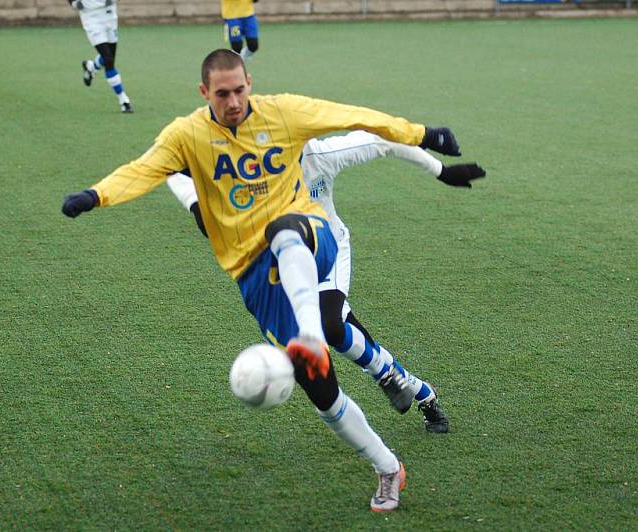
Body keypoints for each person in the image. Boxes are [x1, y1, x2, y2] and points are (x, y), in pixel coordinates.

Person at [61, 49, 479, 512]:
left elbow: (355, 118)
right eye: (223, 94)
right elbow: (146, 171)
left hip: (313, 236)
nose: (234, 101)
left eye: (240, 90)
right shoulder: (187, 136)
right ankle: (386, 467)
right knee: (321, 392)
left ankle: (316, 340)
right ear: (205, 93)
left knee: (295, 253)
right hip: (255, 274)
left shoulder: (284, 114)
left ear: (249, 83)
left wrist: (424, 135)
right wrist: (96, 195)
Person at [165, 131, 485, 433]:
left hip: (328, 249)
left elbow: (382, 140)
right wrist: (195, 202)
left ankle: (391, 381)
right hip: (284, 262)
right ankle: (419, 390)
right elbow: (180, 165)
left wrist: (441, 170)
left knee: (331, 325)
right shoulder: (252, 167)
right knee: (330, 339)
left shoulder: (324, 155)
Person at [69, 0, 133, 113]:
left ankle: (91, 67)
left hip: (109, 15)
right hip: (91, 17)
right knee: (108, 59)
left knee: (109, 57)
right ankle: (124, 100)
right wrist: (73, 3)